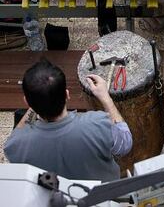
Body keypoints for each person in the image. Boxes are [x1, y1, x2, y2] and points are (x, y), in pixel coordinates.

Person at [4, 59, 132, 182]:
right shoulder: (97, 123)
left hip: (58, 198)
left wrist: (38, 100)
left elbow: (17, 137)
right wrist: (105, 97)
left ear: (27, 101)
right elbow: (125, 144)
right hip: (100, 198)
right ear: (67, 95)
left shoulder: (16, 144)